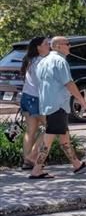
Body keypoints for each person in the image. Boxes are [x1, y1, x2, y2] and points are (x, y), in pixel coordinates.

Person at [27, 36, 86, 179]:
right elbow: (69, 83)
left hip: (48, 104)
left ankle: (76, 164)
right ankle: (36, 169)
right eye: (67, 44)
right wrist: (81, 100)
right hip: (58, 104)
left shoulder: (43, 61)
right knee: (48, 138)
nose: (69, 46)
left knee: (63, 136)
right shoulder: (60, 61)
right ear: (58, 46)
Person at [18, 37, 50, 170]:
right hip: (36, 98)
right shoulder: (41, 61)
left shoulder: (30, 60)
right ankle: (32, 156)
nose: (49, 46)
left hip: (26, 96)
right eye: (46, 44)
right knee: (52, 127)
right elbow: (41, 83)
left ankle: (27, 161)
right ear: (38, 47)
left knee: (30, 130)